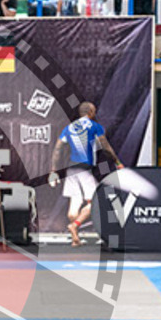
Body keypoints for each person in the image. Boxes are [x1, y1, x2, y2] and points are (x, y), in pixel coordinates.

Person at [48, 102, 124, 248]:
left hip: (71, 170)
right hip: (84, 169)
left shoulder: (69, 128)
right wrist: (117, 162)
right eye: (94, 111)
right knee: (95, 202)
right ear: (91, 112)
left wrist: (53, 170)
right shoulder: (95, 127)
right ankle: (74, 226)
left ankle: (75, 238)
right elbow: (106, 148)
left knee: (74, 205)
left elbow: (57, 149)